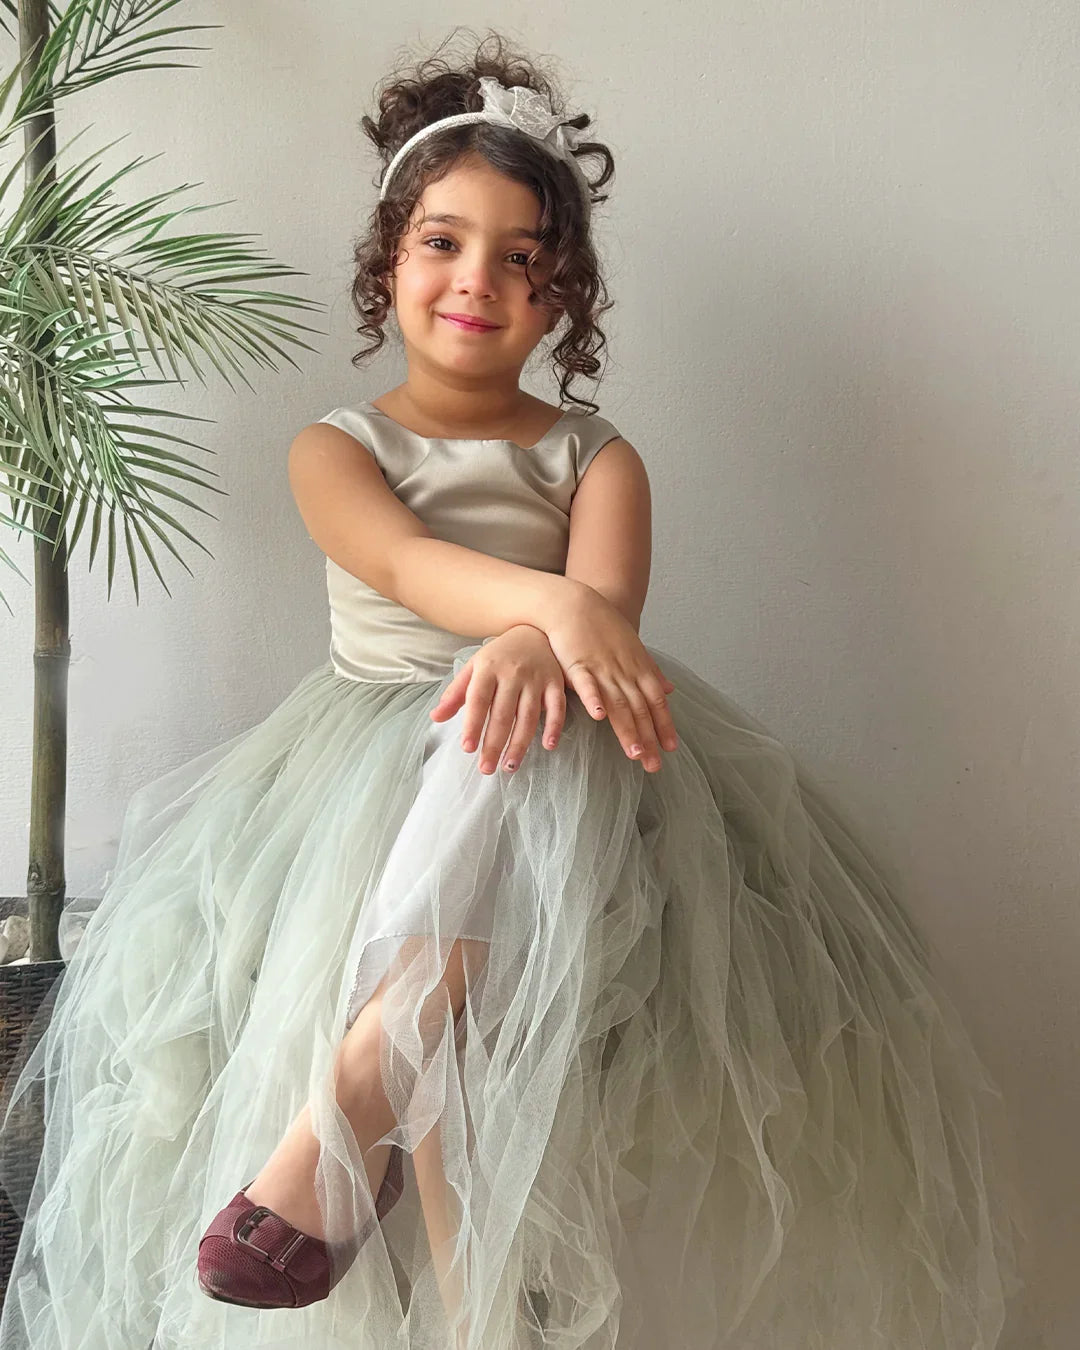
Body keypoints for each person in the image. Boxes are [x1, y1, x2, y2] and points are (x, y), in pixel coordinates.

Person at [0, 29, 1028, 1350]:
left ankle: (359, 1094)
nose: (475, 277)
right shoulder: (337, 449)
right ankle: (484, 1297)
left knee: (526, 748)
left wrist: (549, 629)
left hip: (573, 771)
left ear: (562, 299)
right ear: (389, 261)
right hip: (367, 771)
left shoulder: (599, 457)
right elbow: (415, 566)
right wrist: (540, 609)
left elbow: (607, 621)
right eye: (442, 241)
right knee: (489, 866)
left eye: (519, 257)